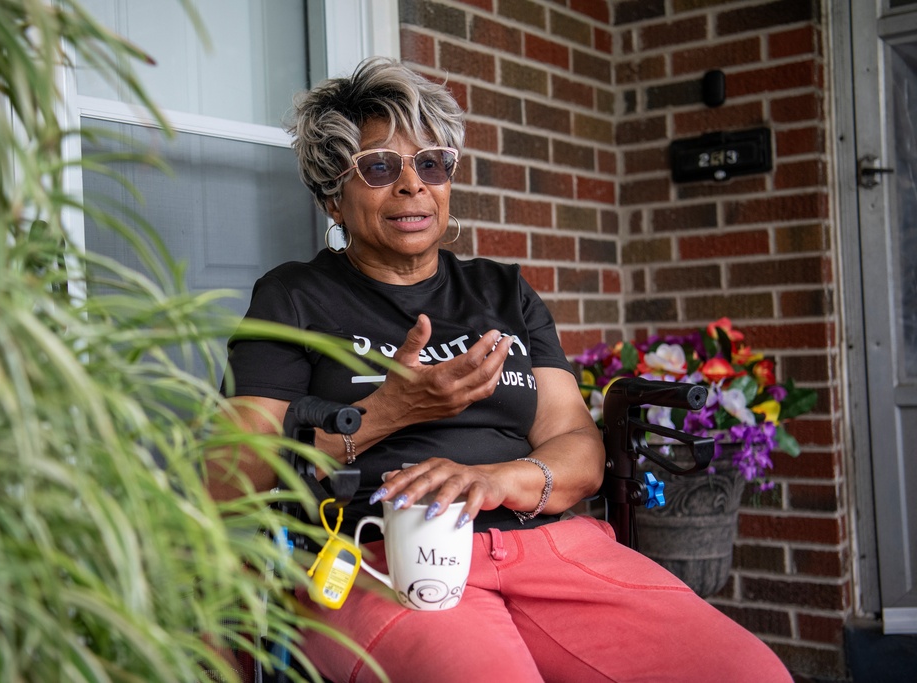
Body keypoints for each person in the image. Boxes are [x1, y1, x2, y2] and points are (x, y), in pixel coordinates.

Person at [218, 57, 792, 683]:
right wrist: (393, 411)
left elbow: (576, 446)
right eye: (379, 167)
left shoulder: (502, 292)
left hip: (547, 547)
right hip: (387, 558)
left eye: (430, 163)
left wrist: (496, 480)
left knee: (744, 671)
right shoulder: (293, 299)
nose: (412, 185)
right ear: (334, 191)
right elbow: (233, 476)